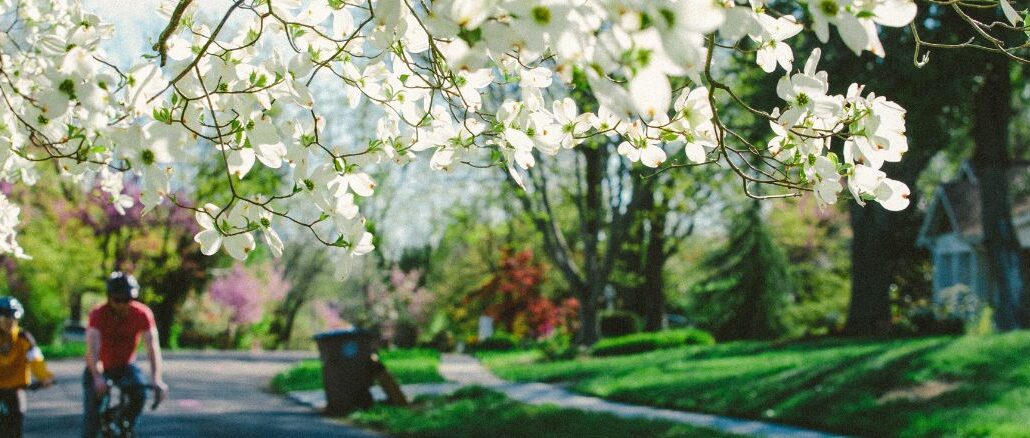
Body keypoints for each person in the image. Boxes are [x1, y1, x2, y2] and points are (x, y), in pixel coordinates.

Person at [82, 271, 168, 438]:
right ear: (109, 297)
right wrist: (98, 377)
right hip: (98, 366)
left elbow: (152, 347)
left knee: (139, 394)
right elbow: (93, 349)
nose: (122, 304)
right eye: (117, 300)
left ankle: (124, 422)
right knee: (91, 423)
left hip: (125, 365)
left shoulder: (142, 314)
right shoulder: (98, 314)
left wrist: (157, 379)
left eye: (127, 300)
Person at [0, 296, 54, 438]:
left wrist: (45, 377)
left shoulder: (24, 338)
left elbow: (36, 359)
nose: (10, 321)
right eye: (6, 317)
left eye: (14, 318)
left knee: (17, 417)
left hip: (15, 388)